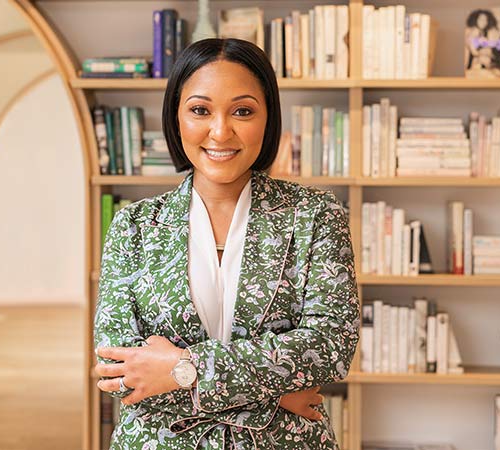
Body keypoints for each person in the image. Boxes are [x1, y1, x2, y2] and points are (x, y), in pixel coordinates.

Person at [93, 37, 359, 449]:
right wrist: (275, 392)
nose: (221, 131)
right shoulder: (134, 225)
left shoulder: (316, 214)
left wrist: (185, 368)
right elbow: (116, 371)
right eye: (200, 110)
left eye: (242, 111)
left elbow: (330, 346)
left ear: (268, 118)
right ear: (176, 118)